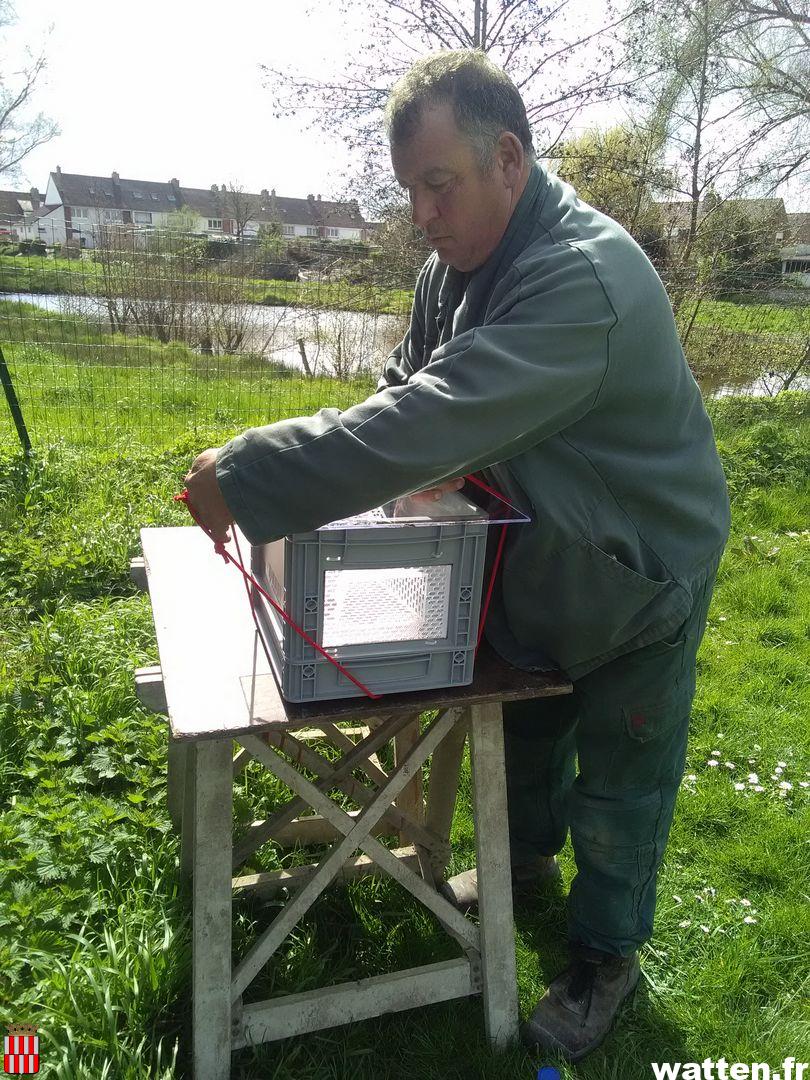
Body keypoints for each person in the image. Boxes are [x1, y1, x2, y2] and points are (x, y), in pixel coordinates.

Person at [184, 50, 730, 1062]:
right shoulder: (451, 271)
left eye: (439, 185)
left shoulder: (584, 278)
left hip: (641, 568)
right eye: (410, 191)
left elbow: (430, 424)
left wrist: (253, 476)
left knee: (622, 781)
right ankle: (523, 871)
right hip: (540, 555)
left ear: (508, 161)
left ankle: (604, 957)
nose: (422, 216)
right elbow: (404, 391)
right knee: (525, 737)